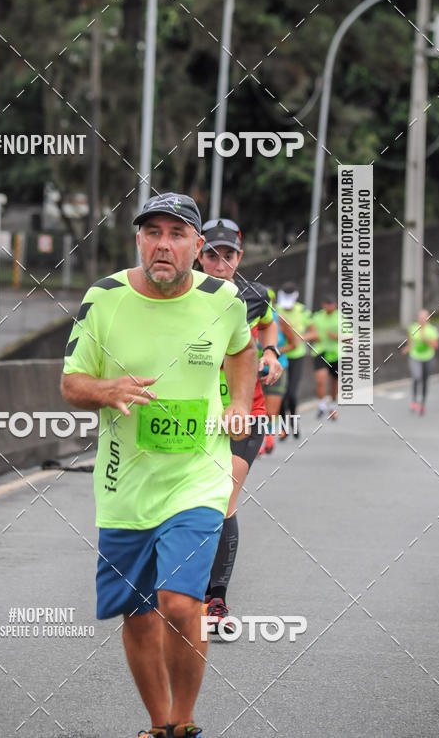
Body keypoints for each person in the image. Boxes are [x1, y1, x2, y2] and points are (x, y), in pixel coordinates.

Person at [60, 193, 258, 738]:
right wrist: (109, 388)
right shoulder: (105, 298)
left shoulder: (224, 298)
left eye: (177, 233)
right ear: (139, 241)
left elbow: (243, 350)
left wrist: (240, 404)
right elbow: (72, 383)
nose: (163, 244)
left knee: (178, 601)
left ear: (198, 246)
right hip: (125, 482)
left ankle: (185, 722)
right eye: (153, 233)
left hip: (198, 477)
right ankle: (158, 725)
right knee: (138, 611)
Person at [196, 219, 283, 631]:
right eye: (212, 254)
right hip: (195, 419)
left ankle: (215, 601)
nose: (220, 263)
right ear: (199, 253)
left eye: (228, 255)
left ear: (239, 258)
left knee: (222, 498)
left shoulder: (253, 294)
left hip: (246, 415)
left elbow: (268, 321)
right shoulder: (179, 295)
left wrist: (270, 353)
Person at [261, 290, 297, 443]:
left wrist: (273, 352)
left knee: (270, 411)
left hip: (278, 368)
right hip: (256, 369)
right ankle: (259, 441)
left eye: (268, 300)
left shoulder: (280, 319)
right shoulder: (251, 319)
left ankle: (268, 439)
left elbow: (294, 344)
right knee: (255, 410)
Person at [277, 282, 312, 438]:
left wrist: (300, 338)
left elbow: (314, 333)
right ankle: (284, 428)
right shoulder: (275, 310)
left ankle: (295, 425)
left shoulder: (302, 311)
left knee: (292, 394)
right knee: (281, 395)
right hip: (280, 356)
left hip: (297, 356)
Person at [306, 296, 340, 420]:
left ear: (335, 305)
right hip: (320, 352)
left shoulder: (341, 318)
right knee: (320, 380)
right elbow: (311, 332)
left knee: (334, 382)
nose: (329, 307)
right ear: (323, 305)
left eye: (331, 304)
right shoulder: (317, 317)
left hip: (336, 353)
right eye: (327, 304)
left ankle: (332, 405)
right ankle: (321, 406)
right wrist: (313, 337)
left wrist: (335, 336)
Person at [401, 309, 439, 414]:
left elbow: (436, 345)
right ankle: (414, 401)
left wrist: (425, 338)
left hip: (428, 357)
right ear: (417, 319)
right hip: (415, 357)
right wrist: (407, 348)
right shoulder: (413, 328)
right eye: (420, 318)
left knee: (425, 380)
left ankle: (422, 403)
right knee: (417, 377)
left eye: (424, 318)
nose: (422, 320)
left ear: (428, 319)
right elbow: (410, 341)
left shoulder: (432, 330)